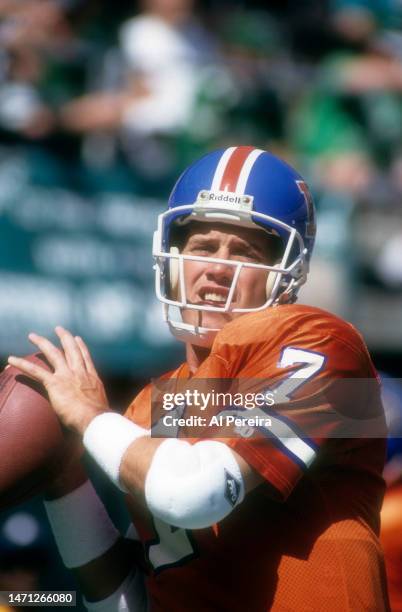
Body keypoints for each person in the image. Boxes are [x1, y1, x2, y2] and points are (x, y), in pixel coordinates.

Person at [9, 146, 390, 611]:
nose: (215, 269)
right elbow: (124, 604)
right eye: (203, 247)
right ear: (171, 258)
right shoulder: (152, 405)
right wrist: (65, 478)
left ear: (288, 274)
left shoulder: (325, 344)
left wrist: (90, 420)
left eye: (243, 252)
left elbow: (197, 492)